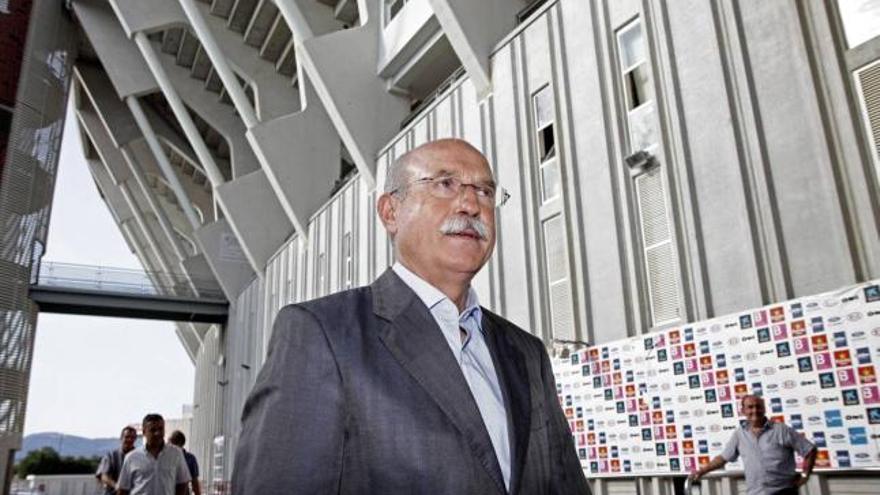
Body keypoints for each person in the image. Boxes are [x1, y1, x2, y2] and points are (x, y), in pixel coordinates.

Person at [233, 138, 589, 494]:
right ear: (391, 212)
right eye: (445, 184)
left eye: (484, 191)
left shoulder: (527, 354)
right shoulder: (321, 334)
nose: (470, 203)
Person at [689, 394, 817, 495]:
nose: (755, 410)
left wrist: (805, 475)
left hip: (783, 491)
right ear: (743, 411)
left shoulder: (781, 430)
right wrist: (702, 471)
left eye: (758, 406)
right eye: (750, 407)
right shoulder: (739, 434)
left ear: (764, 409)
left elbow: (809, 450)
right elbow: (723, 458)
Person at [118, 414, 191, 495]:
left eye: (161, 429)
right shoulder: (132, 457)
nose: (157, 433)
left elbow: (182, 482)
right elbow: (123, 489)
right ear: (144, 432)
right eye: (153, 430)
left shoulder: (176, 454)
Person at [95, 426, 137, 495]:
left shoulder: (139, 456)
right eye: (127, 437)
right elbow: (103, 475)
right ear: (121, 438)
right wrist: (116, 486)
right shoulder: (111, 456)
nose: (129, 440)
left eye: (132, 437)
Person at [168, 430, 201, 495]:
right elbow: (195, 483)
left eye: (170, 442)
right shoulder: (165, 458)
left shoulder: (190, 459)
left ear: (179, 443)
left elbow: (195, 483)